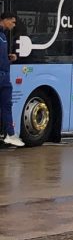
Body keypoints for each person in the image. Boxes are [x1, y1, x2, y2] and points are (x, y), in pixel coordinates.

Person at [0, 12, 23, 147]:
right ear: (5, 20)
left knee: (7, 106)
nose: (14, 25)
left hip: (4, 77)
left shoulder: (3, 36)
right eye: (13, 22)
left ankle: (10, 134)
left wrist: (9, 58)